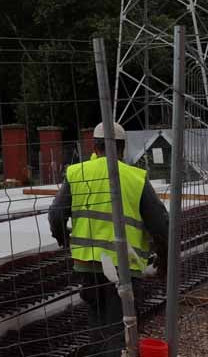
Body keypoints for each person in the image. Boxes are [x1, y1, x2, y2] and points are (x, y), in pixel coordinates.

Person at [48, 121, 170, 357]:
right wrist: (164, 256)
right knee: (120, 328)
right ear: (123, 148)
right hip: (124, 267)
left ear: (94, 146)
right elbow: (160, 223)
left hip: (88, 265)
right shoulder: (135, 177)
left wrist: (63, 237)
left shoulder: (77, 172)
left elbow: (55, 214)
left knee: (98, 324)